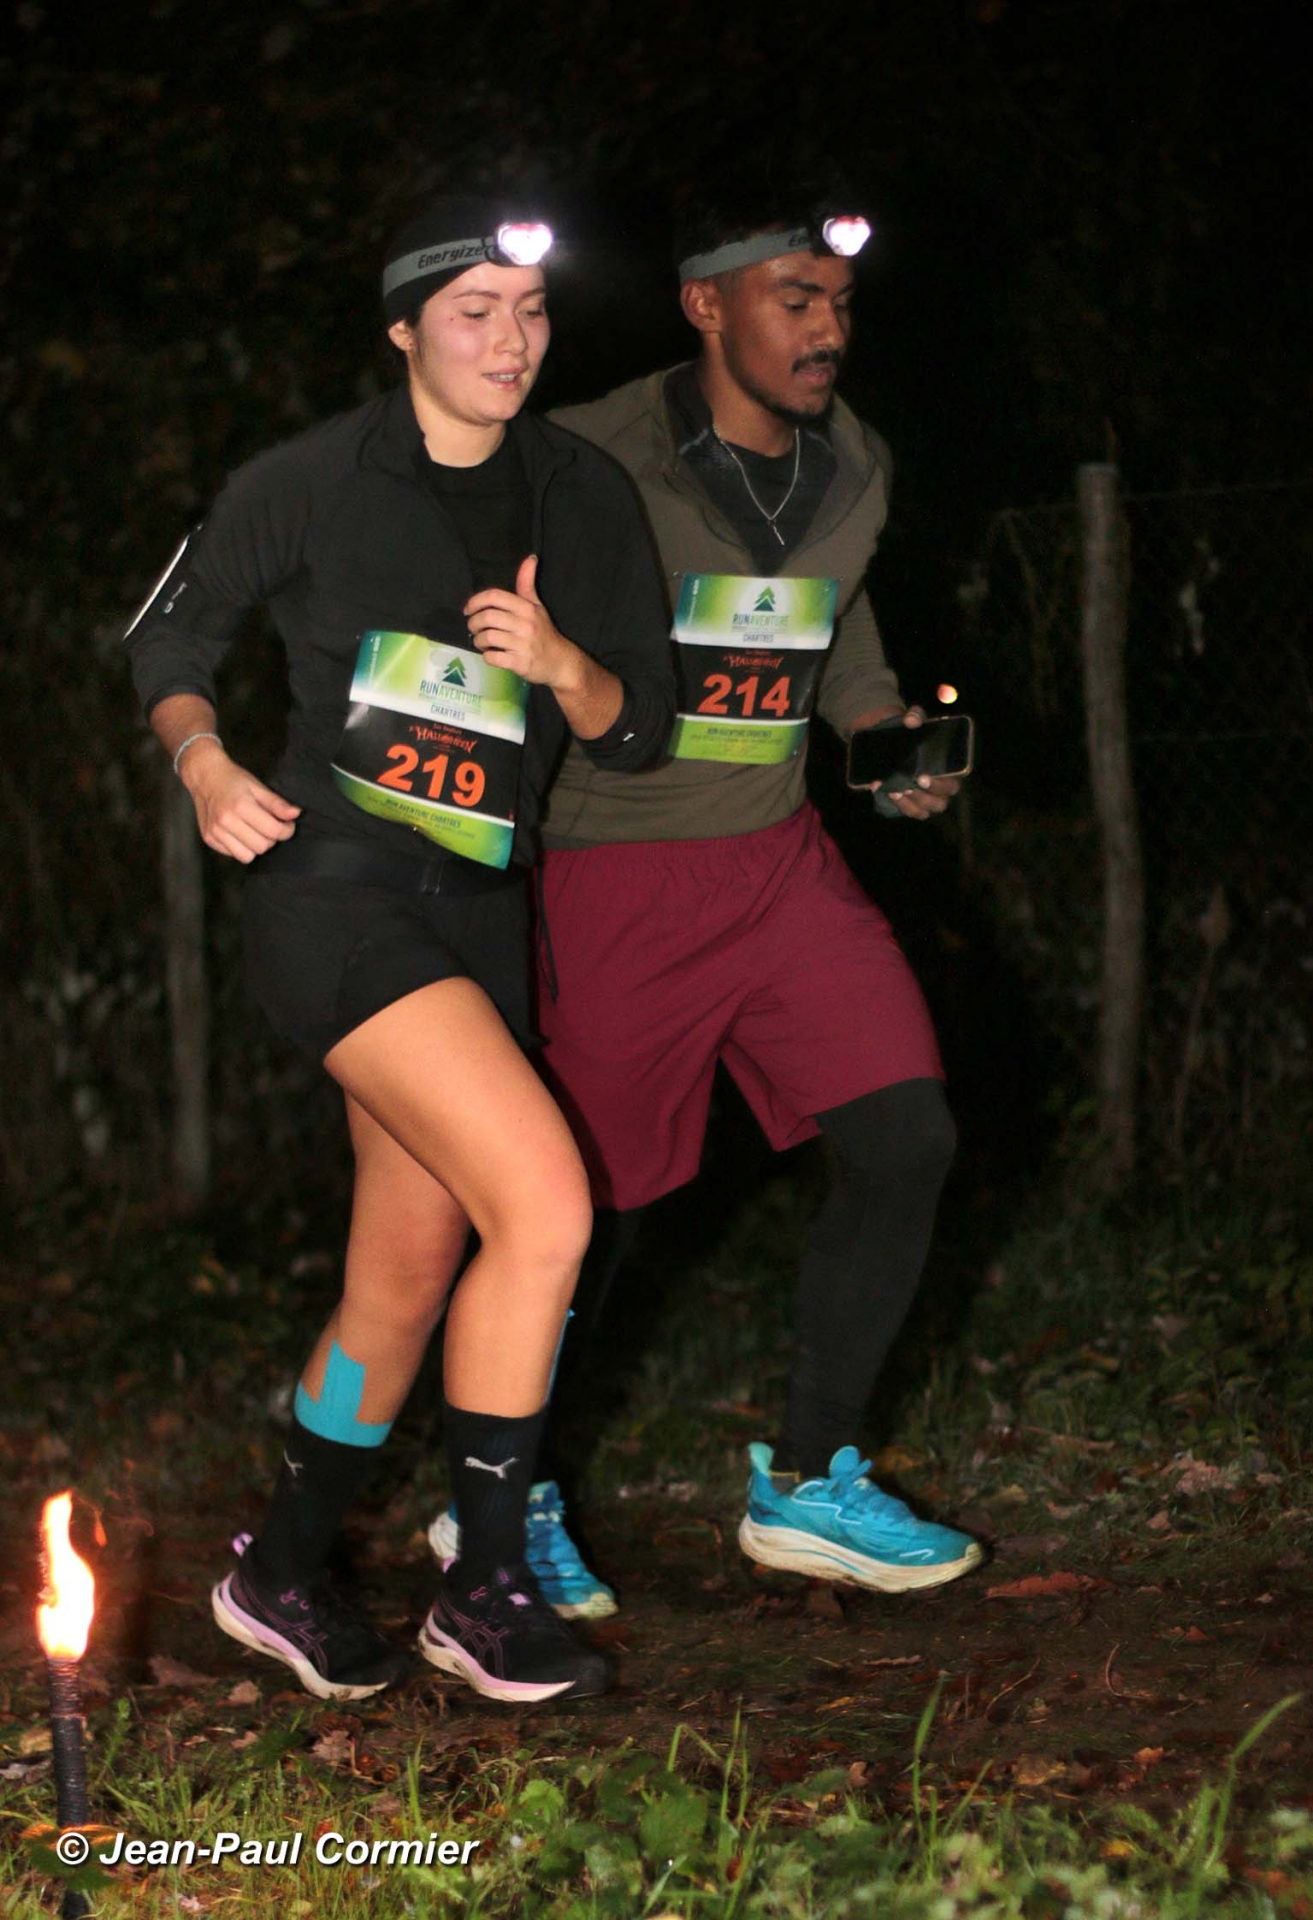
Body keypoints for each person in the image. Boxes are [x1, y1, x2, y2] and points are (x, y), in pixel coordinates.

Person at [123, 196, 675, 1703]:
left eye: (532, 313)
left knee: (403, 1271)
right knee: (545, 1205)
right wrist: (203, 762)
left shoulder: (580, 491)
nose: (512, 341)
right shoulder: (306, 480)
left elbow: (638, 725)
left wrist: (561, 664)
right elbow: (169, 633)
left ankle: (281, 1568)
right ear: (403, 330)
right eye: (475, 312)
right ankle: (484, 1588)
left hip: (482, 908)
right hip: (333, 893)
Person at [428, 182, 984, 1615]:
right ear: (705, 306)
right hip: (610, 875)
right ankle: (497, 1499)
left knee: (905, 1137)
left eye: (839, 303)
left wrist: (875, 734)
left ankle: (807, 1484)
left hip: (780, 863)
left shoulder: (853, 460)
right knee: (582, 1213)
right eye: (794, 300)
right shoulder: (584, 455)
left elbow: (836, 617)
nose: (826, 329)